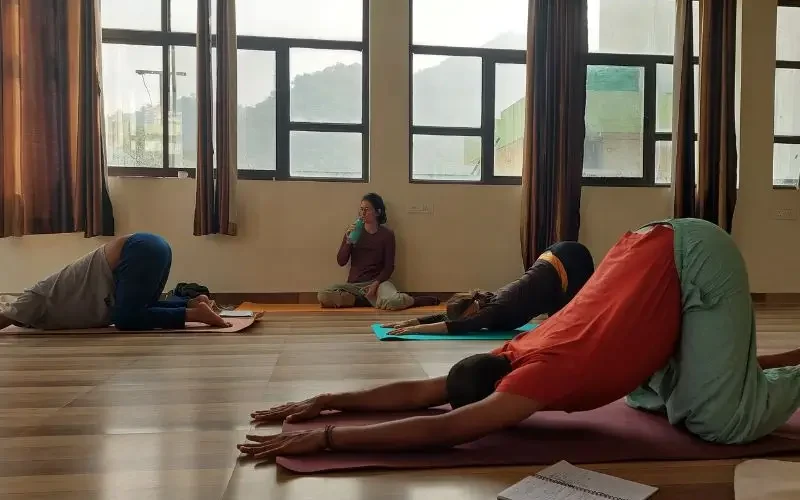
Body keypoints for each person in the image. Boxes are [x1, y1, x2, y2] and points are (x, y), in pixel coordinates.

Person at [237, 218, 800, 460]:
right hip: (648, 247)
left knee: (717, 422)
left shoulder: (536, 372)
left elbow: (444, 425)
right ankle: (771, 366)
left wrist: (330, 437)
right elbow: (424, 394)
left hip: (692, 259)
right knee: (650, 392)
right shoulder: (513, 351)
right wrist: (325, 402)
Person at [0, 233, 230, 332]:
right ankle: (193, 305)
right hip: (150, 245)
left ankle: (194, 314)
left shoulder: (32, 299)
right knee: (139, 309)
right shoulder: (47, 300)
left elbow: (6, 316)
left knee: (127, 319)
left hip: (139, 249)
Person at [382, 241, 594, 335]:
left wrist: (413, 330)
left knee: (569, 321)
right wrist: (409, 320)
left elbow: (453, 327)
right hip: (553, 255)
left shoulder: (493, 311)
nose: (466, 320)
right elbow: (449, 318)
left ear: (471, 312)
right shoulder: (484, 300)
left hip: (570, 263)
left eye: (466, 317)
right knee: (555, 320)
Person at [317, 193, 438, 311]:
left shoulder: (387, 235)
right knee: (323, 295)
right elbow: (341, 261)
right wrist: (348, 242)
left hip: (379, 283)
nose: (363, 213)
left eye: (367, 209)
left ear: (377, 212)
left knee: (393, 302)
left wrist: (375, 284)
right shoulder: (353, 231)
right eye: (361, 209)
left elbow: (389, 267)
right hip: (354, 286)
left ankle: (413, 300)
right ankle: (369, 300)